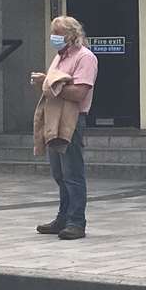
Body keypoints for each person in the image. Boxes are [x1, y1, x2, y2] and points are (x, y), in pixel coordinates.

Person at [30, 15, 97, 240]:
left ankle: (77, 221)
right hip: (54, 117)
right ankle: (63, 217)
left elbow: (79, 93)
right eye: (53, 33)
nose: (54, 38)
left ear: (70, 36)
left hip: (72, 119)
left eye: (57, 34)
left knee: (72, 173)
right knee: (59, 173)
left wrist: (47, 84)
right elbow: (54, 84)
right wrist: (46, 82)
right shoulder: (60, 57)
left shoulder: (85, 58)